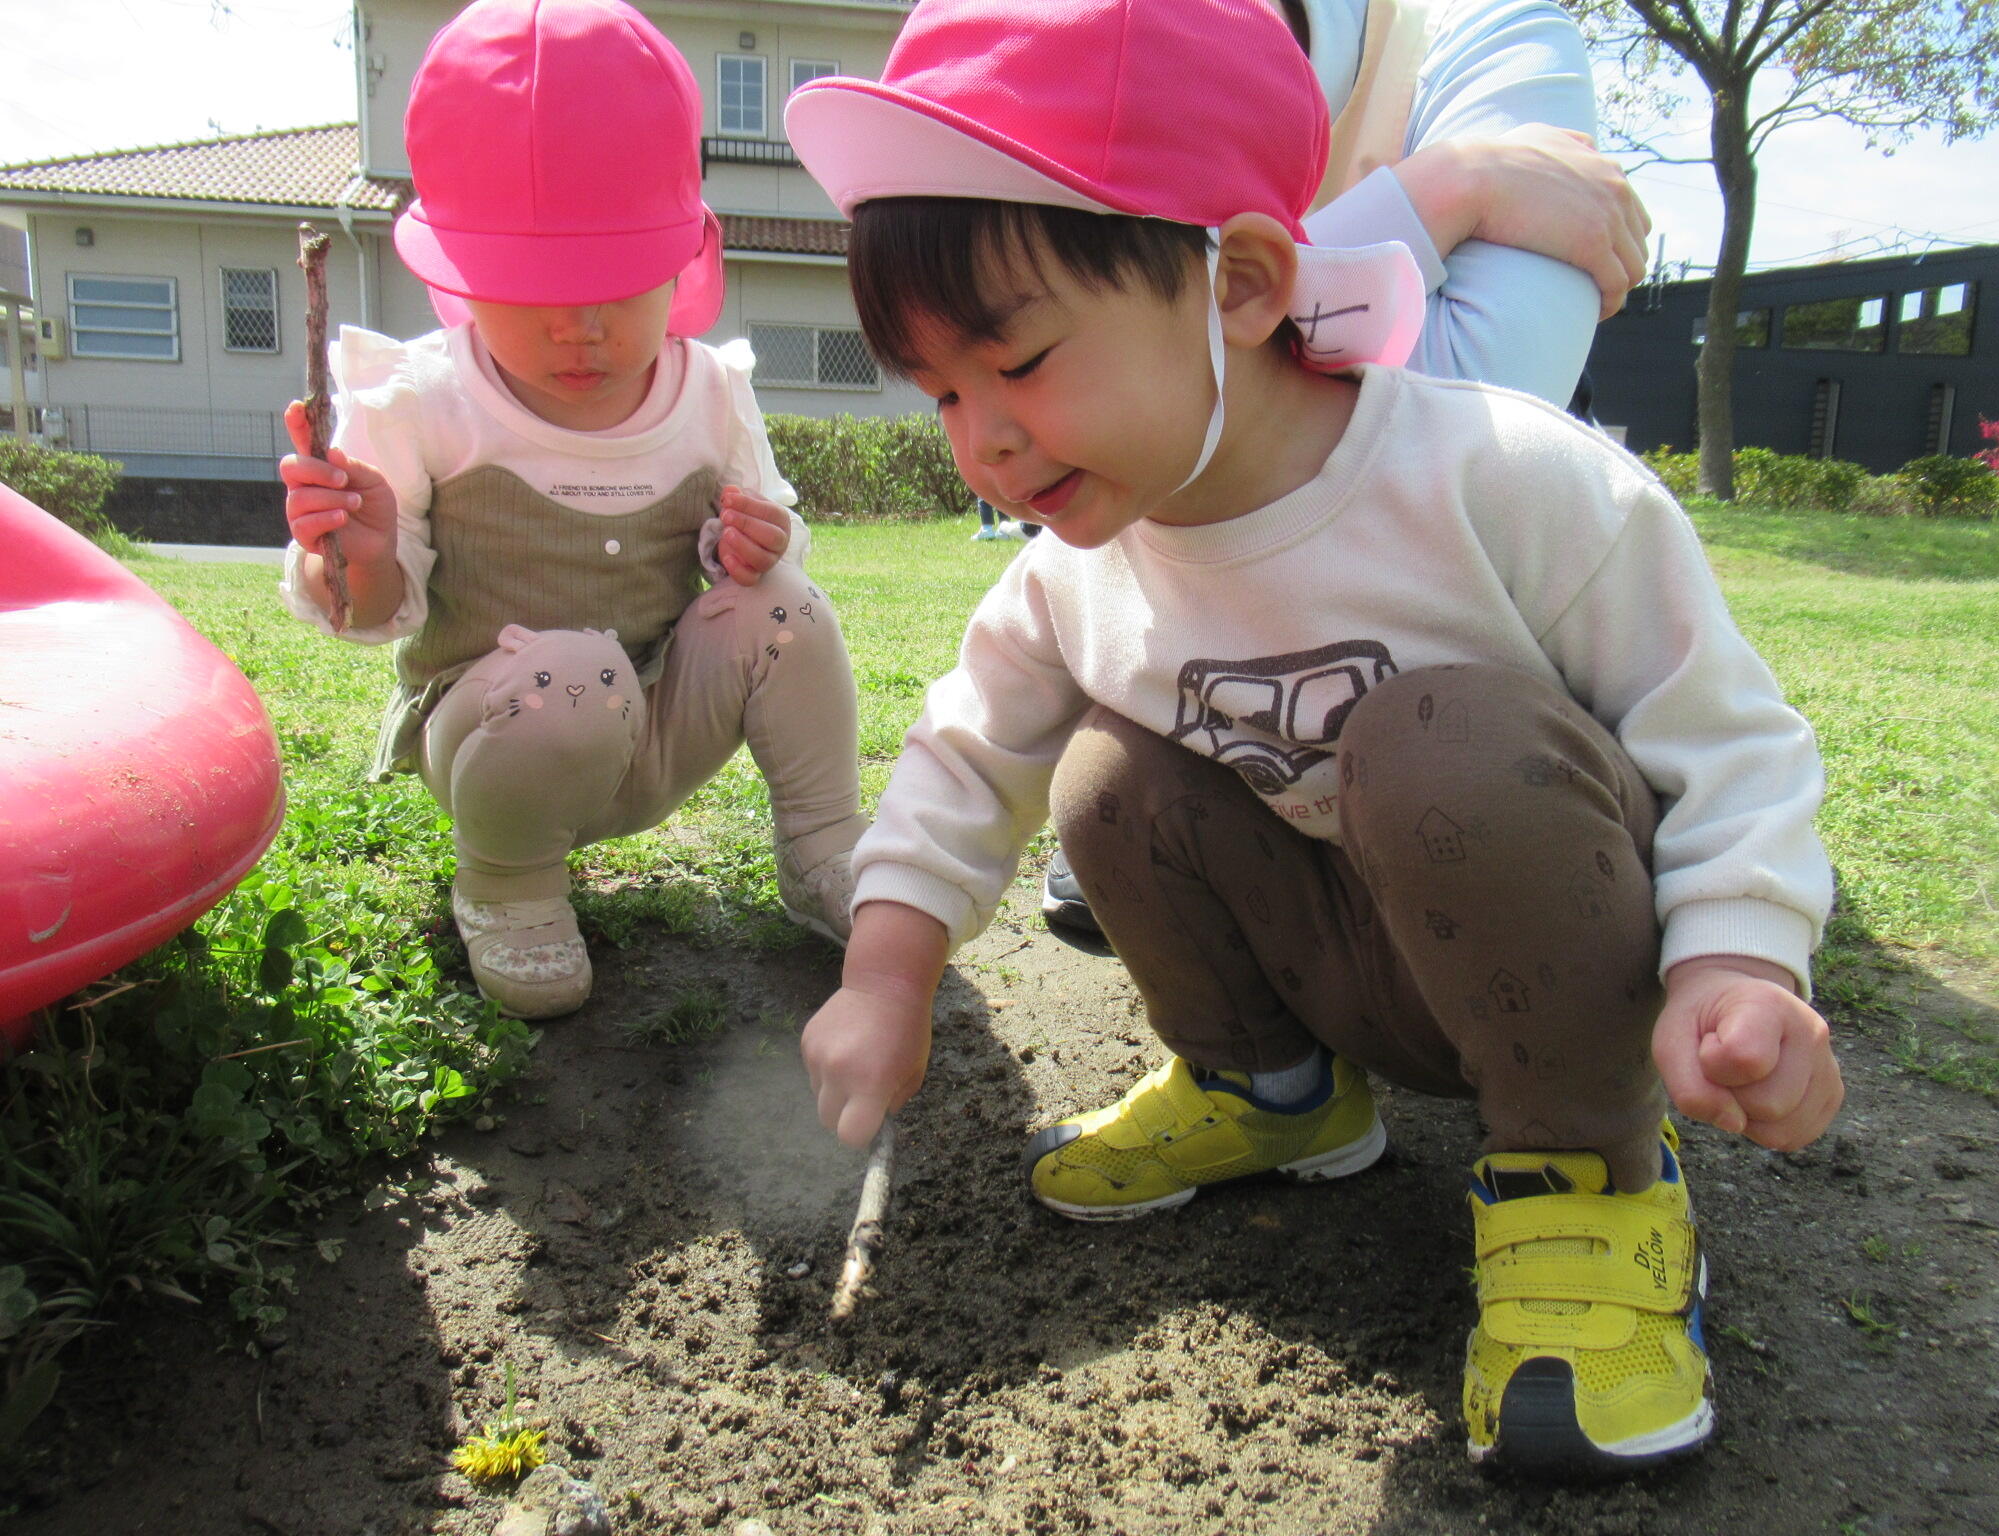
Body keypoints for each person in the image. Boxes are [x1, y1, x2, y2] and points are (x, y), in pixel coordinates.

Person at [785, 0, 1841, 1478]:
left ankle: (1589, 1183)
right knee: (1107, 772)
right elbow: (964, 758)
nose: (983, 442)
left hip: (1562, 965)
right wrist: (887, 971)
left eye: (1017, 364)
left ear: (1242, 282)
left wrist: (1738, 961)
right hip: (1355, 961)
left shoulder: (1501, 479)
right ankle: (1272, 1092)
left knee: (1443, 735)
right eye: (945, 394)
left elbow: (1724, 738)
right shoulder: (1077, 570)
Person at [277, 0, 866, 1020]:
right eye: (534, 290)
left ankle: (823, 847)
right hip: (498, 730)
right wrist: (363, 554)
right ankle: (507, 884)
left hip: (654, 722)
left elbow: (767, 541)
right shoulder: (422, 399)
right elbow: (370, 615)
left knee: (789, 608)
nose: (580, 331)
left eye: (616, 284)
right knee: (571, 672)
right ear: (463, 276)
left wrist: (754, 543)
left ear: (676, 261)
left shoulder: (708, 391)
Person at [1036, 0, 1649, 936]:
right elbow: (1079, 357)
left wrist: (1224, 301)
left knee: (1443, 750)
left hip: (1484, 628)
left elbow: (1467, 404)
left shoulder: (1484, 31)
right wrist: (1438, 195)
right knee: (1117, 771)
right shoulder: (1070, 45)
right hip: (1223, 622)